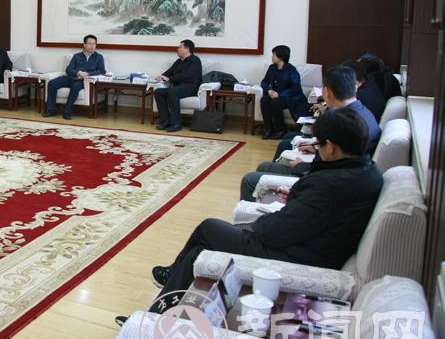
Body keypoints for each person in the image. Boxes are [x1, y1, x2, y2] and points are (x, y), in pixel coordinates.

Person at [137, 107, 382, 316]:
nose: (317, 150)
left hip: (292, 257)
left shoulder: (328, 186)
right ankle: (159, 309)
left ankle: (158, 306)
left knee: (208, 229)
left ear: (332, 147)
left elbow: (273, 232)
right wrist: (297, 200)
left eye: (319, 145)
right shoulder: (367, 171)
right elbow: (313, 214)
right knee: (199, 249)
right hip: (309, 246)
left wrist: (265, 220)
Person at [239, 64, 382, 200]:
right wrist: (315, 148)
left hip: (319, 180)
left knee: (250, 179)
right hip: (334, 175)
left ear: (326, 92)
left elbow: (330, 165)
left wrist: (301, 166)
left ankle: (268, 195)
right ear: (355, 87)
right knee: (271, 159)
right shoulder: (363, 113)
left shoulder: (343, 121)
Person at [42, 34, 105, 119]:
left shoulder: (99, 57)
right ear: (84, 44)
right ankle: (51, 110)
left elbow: (102, 71)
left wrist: (88, 74)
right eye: (90, 43)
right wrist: (78, 73)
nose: (92, 46)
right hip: (72, 77)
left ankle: (67, 111)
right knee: (52, 83)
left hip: (83, 81)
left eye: (94, 44)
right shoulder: (77, 56)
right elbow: (68, 69)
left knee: (75, 87)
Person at [259, 45, 308, 139]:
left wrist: (279, 94)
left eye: (274, 55)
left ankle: (281, 130)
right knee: (264, 100)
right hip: (274, 94)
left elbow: (295, 88)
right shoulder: (272, 67)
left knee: (275, 102)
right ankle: (268, 129)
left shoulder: (291, 70)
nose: (272, 57)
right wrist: (268, 90)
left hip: (290, 96)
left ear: (281, 57)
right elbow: (264, 82)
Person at [154, 39, 202, 132]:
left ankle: (176, 123)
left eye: (180, 47)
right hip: (178, 88)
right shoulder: (179, 61)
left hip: (190, 87)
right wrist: (161, 77)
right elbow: (169, 72)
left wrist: (170, 79)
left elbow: (187, 75)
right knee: (158, 92)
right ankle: (165, 121)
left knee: (172, 91)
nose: (177, 49)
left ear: (187, 49)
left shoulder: (195, 60)